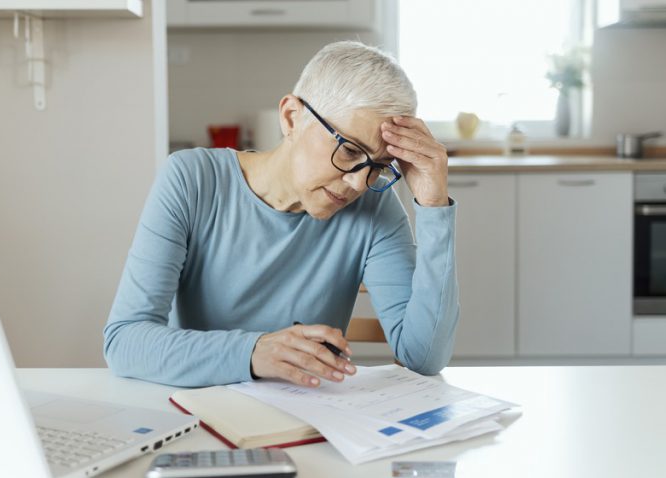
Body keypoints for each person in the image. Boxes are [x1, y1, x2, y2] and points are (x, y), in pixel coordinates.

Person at [103, 41, 459, 388]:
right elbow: (125, 341)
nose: (357, 184)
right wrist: (255, 352)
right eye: (349, 151)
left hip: (312, 419)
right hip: (204, 412)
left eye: (377, 167)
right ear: (292, 117)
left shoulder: (375, 207)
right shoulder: (192, 179)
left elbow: (423, 357)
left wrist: (433, 207)